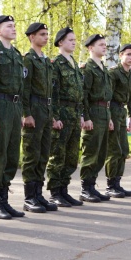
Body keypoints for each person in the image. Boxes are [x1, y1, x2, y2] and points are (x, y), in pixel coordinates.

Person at [0, 15, 25, 220]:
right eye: (9, 26)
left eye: (14, 25)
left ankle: (5, 198)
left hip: (15, 107)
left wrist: (23, 113)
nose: (14, 28)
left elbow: (22, 87)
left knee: (11, 155)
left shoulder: (17, 55)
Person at [21, 23, 57, 213]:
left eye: (47, 34)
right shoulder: (29, 59)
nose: (46, 37)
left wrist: (51, 114)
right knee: (31, 154)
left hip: (46, 109)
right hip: (34, 109)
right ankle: (29, 197)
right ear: (32, 37)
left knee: (43, 154)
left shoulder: (45, 60)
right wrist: (26, 113)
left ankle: (38, 193)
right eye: (42, 34)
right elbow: (24, 89)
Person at [47, 27, 85, 207]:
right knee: (58, 154)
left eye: (75, 40)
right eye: (70, 40)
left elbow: (80, 93)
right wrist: (54, 117)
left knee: (71, 156)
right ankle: (55, 192)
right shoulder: (56, 63)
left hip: (74, 114)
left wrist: (81, 115)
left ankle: (64, 189)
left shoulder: (74, 64)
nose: (74, 42)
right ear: (60, 42)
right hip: (62, 112)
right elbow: (52, 92)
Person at [79, 34, 113, 203]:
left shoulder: (103, 68)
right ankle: (85, 188)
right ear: (91, 48)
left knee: (101, 152)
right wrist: (85, 116)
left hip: (104, 112)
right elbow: (83, 94)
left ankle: (92, 185)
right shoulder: (88, 68)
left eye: (105, 44)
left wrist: (110, 118)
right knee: (91, 150)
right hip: (93, 111)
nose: (104, 47)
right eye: (101, 44)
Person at [105, 43, 131, 198]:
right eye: (128, 54)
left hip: (122, 112)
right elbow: (107, 97)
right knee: (114, 150)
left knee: (124, 149)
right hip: (112, 110)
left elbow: (130, 98)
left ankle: (117, 183)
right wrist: (109, 117)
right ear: (121, 55)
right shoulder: (114, 73)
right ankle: (110, 185)